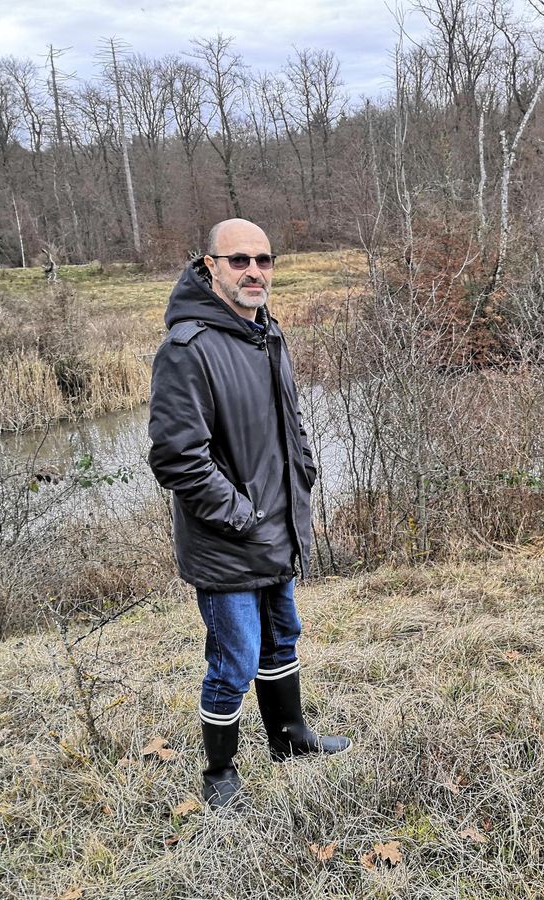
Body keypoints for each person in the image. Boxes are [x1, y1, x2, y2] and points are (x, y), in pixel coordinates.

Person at [148, 218, 351, 810]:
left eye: (264, 259)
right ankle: (220, 771)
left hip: (277, 528)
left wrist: (304, 472)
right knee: (233, 658)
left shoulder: (268, 334)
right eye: (239, 260)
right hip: (229, 539)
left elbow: (290, 428)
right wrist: (241, 515)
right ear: (209, 265)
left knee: (282, 639)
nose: (254, 271)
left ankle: (290, 739)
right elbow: (177, 458)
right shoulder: (188, 349)